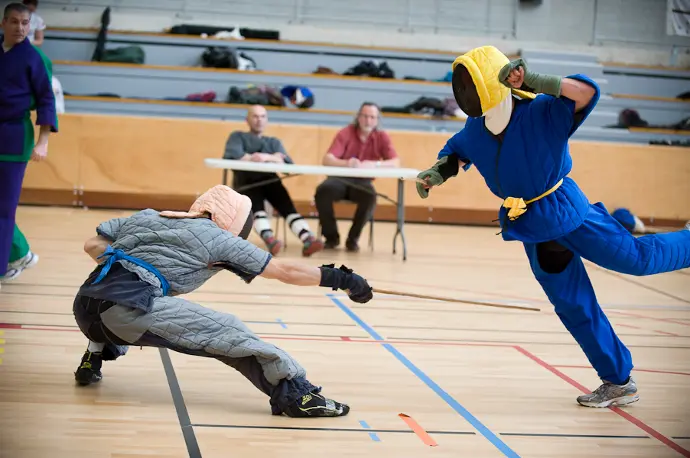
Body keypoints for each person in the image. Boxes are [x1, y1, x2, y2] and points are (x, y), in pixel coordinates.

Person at [415, 46, 690, 409]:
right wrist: (437, 173)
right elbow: (456, 153)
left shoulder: (541, 110)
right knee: (573, 304)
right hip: (531, 223)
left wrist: (532, 80)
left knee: (636, 259)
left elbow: (587, 93)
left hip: (567, 210)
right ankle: (618, 381)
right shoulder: (474, 128)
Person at [71, 185, 373, 417]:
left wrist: (135, 264)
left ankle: (94, 353)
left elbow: (92, 244)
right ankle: (298, 397)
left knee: (123, 306)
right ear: (234, 221)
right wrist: (344, 280)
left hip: (85, 305)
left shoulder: (150, 217)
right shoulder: (219, 238)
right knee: (228, 331)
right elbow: (284, 270)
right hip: (125, 310)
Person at [0, 2, 57, 289]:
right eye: (14, 22)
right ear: (3, 24)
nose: (21, 28)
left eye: (25, 23)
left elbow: (47, 100)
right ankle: (21, 253)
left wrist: (43, 141)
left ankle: (3, 266)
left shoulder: (36, 59)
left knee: (4, 209)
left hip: (14, 139)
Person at [223, 105, 324, 257]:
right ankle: (269, 238)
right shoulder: (237, 137)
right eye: (255, 116)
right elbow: (237, 156)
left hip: (271, 181)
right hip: (247, 182)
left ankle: (307, 237)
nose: (259, 120)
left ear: (267, 120)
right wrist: (273, 157)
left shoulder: (273, 141)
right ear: (247, 119)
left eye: (263, 116)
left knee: (288, 207)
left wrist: (264, 157)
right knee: (257, 207)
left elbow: (286, 164)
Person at [314, 102, 399, 252]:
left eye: (372, 117)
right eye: (365, 116)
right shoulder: (345, 133)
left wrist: (374, 165)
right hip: (339, 178)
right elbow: (327, 159)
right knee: (322, 191)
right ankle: (331, 237)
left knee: (370, 196)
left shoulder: (382, 136)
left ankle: (353, 239)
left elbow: (395, 162)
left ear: (377, 119)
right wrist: (347, 163)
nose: (368, 120)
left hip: (362, 181)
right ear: (358, 117)